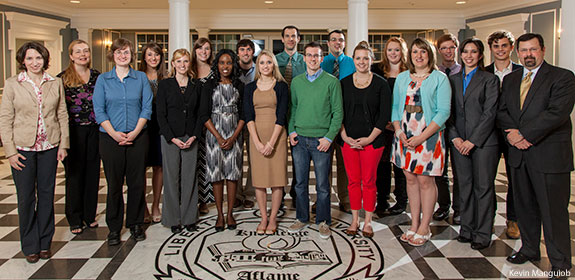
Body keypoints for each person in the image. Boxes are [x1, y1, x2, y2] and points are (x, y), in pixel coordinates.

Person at [498, 33, 575, 275]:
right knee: (525, 207)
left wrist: (523, 135)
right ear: (517, 52)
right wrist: (511, 134)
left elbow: (557, 113)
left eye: (533, 49)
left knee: (553, 212)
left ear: (543, 49)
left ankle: (560, 262)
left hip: (549, 156)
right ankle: (529, 249)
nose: (528, 54)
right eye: (524, 50)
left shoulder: (562, 77)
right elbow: (502, 111)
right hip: (519, 157)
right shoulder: (510, 79)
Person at [0, 41, 69, 263]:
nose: (34, 62)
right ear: (23, 61)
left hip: (49, 147)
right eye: (30, 58)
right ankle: (30, 245)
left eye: (38, 58)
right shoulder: (13, 84)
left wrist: (63, 144)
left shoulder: (54, 82)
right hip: (22, 148)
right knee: (26, 197)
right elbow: (5, 119)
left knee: (48, 196)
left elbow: (62, 114)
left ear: (44, 59)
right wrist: (10, 152)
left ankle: (45, 242)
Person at [391, 38, 451, 246]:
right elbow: (395, 108)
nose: (419, 56)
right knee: (409, 179)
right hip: (404, 135)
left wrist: (421, 137)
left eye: (423, 52)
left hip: (428, 136)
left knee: (426, 181)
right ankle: (414, 223)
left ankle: (425, 226)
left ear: (430, 54)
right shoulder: (401, 78)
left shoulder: (439, 78)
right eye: (415, 52)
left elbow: (443, 112)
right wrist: (399, 132)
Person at [93, 38, 153, 246]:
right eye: (118, 52)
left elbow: (147, 107)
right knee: (114, 184)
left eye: (126, 52)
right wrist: (114, 133)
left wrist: (135, 132)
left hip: (138, 136)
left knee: (137, 183)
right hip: (110, 138)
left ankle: (136, 224)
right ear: (113, 55)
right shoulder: (103, 80)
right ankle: (114, 227)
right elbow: (99, 111)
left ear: (131, 55)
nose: (122, 55)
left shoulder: (140, 78)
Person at [447, 38, 500, 250]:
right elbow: (447, 112)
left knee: (483, 187)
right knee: (465, 187)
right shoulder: (452, 80)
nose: (469, 56)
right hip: (458, 141)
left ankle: (483, 233)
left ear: (480, 55)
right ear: (460, 54)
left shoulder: (490, 79)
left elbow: (490, 114)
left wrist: (473, 141)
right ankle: (466, 229)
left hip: (484, 143)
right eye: (465, 52)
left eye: (473, 52)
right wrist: (456, 137)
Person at [287, 42, 343, 239]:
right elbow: (292, 109)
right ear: (304, 58)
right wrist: (291, 130)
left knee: (322, 186)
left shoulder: (331, 82)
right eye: (309, 55)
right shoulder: (297, 82)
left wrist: (329, 137)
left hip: (322, 141)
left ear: (322, 58)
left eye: (317, 55)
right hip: (300, 140)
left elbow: (338, 113)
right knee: (300, 183)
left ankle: (323, 221)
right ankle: (302, 218)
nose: (313, 59)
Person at [340, 41, 391, 238]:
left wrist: (369, 139)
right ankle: (355, 219)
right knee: (353, 181)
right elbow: (339, 112)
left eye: (366, 58)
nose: (362, 61)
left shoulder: (381, 83)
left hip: (373, 141)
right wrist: (344, 136)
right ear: (353, 60)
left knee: (369, 181)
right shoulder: (343, 83)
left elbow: (384, 114)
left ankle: (368, 221)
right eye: (358, 58)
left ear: (371, 59)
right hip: (348, 140)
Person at [156, 49, 202, 234]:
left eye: (185, 61)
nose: (182, 65)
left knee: (190, 178)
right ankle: (173, 218)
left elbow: (200, 114)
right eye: (179, 61)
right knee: (171, 177)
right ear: (173, 64)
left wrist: (193, 136)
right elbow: (160, 114)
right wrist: (172, 138)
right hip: (170, 137)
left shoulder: (196, 85)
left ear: (189, 64)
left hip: (190, 136)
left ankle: (190, 217)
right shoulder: (165, 85)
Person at [243, 50, 289, 235]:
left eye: (269, 62)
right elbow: (248, 116)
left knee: (277, 180)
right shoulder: (249, 87)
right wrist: (257, 142)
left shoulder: (281, 86)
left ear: (274, 65)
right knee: (260, 181)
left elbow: (282, 115)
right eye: (262, 62)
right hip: (257, 137)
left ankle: (273, 218)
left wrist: (271, 143)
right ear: (258, 66)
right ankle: (263, 217)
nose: (265, 66)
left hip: (277, 136)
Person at [199, 49, 245, 232]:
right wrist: (218, 136)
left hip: (235, 134)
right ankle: (219, 214)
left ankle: (230, 213)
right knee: (217, 175)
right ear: (216, 65)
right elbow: (203, 114)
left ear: (233, 65)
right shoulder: (208, 86)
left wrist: (233, 136)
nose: (225, 66)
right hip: (214, 135)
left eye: (229, 63)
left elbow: (244, 114)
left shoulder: (240, 85)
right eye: (222, 63)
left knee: (232, 175)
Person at [58, 40, 101, 235]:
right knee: (74, 175)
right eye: (78, 52)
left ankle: (89, 215)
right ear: (71, 56)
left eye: (86, 51)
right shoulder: (62, 79)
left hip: (94, 130)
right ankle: (75, 218)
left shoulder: (97, 77)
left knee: (92, 173)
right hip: (72, 132)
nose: (83, 54)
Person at [485, 30, 523, 240]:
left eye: (504, 45)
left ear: (511, 47)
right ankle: (487, 219)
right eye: (496, 46)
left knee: (514, 178)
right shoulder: (484, 72)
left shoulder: (521, 71)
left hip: (512, 132)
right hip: (489, 132)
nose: (500, 50)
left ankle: (513, 220)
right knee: (486, 177)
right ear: (491, 49)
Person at [371, 37, 409, 217]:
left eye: (397, 50)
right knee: (382, 165)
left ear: (403, 52)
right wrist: (384, 122)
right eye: (390, 50)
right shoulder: (377, 69)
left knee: (401, 166)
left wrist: (398, 124)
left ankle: (402, 200)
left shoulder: (410, 72)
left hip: (404, 126)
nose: (393, 53)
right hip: (382, 126)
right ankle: (382, 199)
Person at [320, 29, 354, 213]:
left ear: (344, 43)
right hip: (325, 119)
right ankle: (322, 199)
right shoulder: (321, 63)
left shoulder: (351, 63)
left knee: (344, 163)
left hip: (346, 121)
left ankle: (346, 198)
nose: (337, 43)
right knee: (323, 163)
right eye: (333, 40)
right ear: (328, 43)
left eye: (340, 40)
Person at [276, 25, 306, 208]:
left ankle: (296, 193)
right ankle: (278, 193)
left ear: (298, 39)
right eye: (287, 36)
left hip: (299, 114)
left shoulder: (305, 60)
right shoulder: (274, 60)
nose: (290, 39)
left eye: (294, 36)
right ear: (282, 39)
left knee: (298, 157)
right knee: (278, 157)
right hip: (278, 113)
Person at [433, 33, 461, 224]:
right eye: (444, 48)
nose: (448, 51)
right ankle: (444, 206)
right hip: (439, 128)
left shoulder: (464, 71)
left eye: (451, 47)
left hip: (459, 128)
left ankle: (459, 209)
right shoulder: (436, 72)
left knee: (460, 171)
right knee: (440, 171)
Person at [139, 42, 167, 224]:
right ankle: (143, 206)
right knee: (140, 167)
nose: (153, 58)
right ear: (144, 57)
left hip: (160, 125)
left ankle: (156, 204)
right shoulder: (137, 76)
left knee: (159, 166)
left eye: (156, 55)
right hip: (142, 125)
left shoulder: (167, 78)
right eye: (149, 55)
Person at [191, 37, 215, 215]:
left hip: (212, 122)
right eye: (200, 49)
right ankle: (195, 199)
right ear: (195, 50)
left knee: (209, 162)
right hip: (192, 122)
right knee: (194, 162)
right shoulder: (189, 70)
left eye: (207, 49)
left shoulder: (214, 71)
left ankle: (206, 199)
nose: (203, 52)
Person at [235, 38, 256, 210]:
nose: (246, 52)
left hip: (254, 120)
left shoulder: (260, 70)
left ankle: (250, 194)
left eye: (249, 49)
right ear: (238, 53)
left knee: (254, 159)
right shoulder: (231, 70)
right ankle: (236, 194)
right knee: (235, 158)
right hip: (234, 121)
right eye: (242, 49)